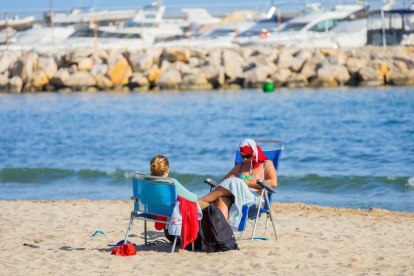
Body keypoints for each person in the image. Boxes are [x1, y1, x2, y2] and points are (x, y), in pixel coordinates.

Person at [199, 139, 277, 227]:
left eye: (247, 156)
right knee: (222, 199)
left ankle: (200, 201)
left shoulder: (266, 164)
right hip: (236, 197)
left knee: (235, 182)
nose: (245, 159)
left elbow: (273, 182)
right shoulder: (240, 166)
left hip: (254, 199)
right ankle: (221, 231)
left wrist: (248, 183)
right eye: (242, 156)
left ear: (255, 153)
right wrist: (230, 178)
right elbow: (225, 180)